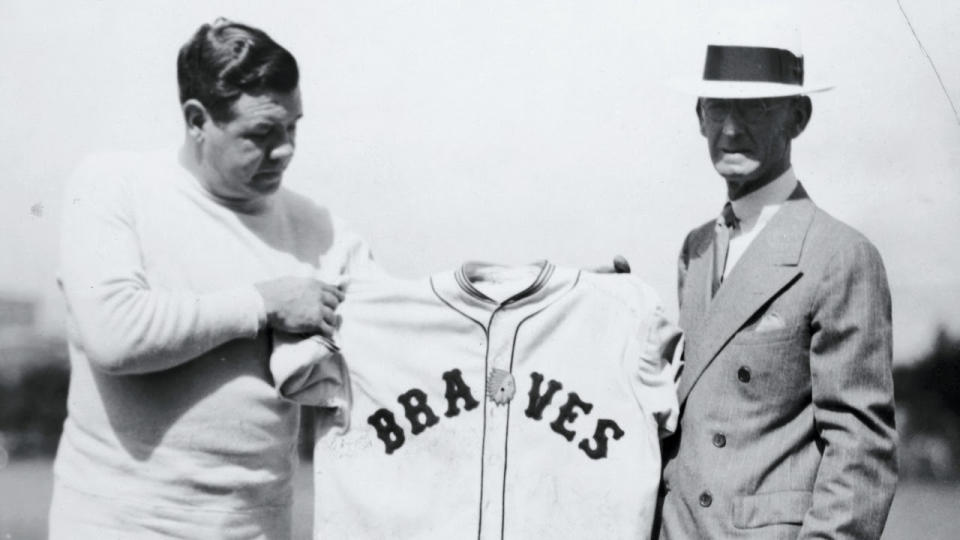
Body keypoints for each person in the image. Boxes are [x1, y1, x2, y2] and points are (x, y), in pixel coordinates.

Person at [49, 18, 377, 538]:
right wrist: (264, 303)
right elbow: (115, 335)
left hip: (255, 527)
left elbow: (396, 336)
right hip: (118, 524)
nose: (286, 149)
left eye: (293, 127)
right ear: (197, 120)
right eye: (262, 134)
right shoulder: (112, 187)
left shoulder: (323, 230)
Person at [656, 28, 898, 539]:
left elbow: (860, 451)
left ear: (799, 118)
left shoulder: (839, 255)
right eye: (717, 107)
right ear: (698, 116)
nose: (730, 129)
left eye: (756, 107)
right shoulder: (694, 250)